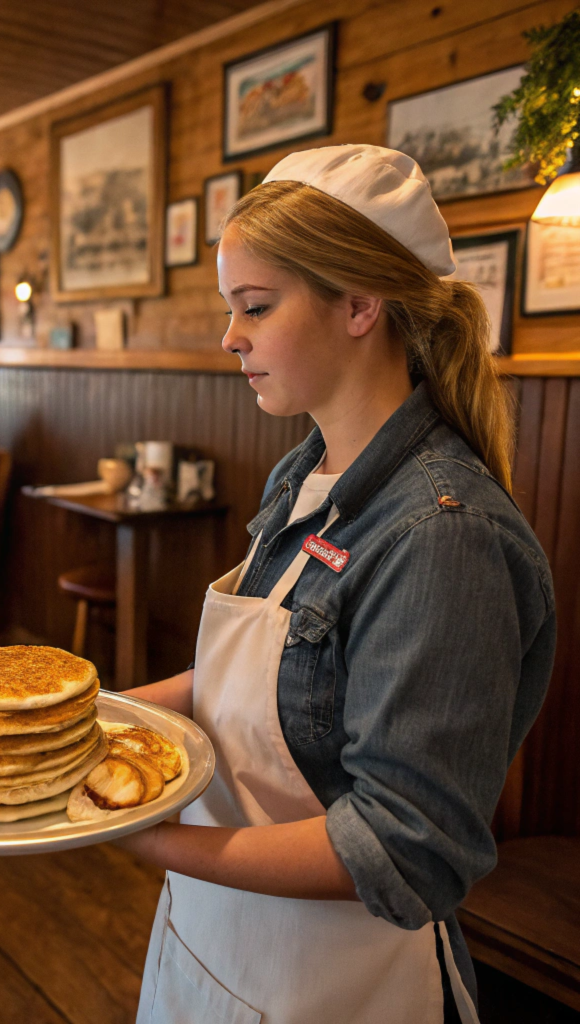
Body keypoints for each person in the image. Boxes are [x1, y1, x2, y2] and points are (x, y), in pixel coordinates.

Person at [121, 146, 554, 1024]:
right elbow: (267, 691)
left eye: (255, 307)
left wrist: (160, 843)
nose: (230, 336)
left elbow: (406, 849)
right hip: (212, 951)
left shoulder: (443, 536)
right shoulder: (306, 473)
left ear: (361, 304)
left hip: (341, 989)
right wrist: (99, 717)